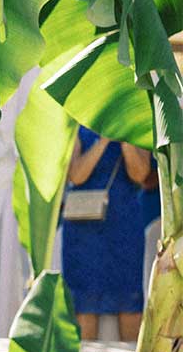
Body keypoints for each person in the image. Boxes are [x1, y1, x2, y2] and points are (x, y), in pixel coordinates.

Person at [62, 128, 152, 341]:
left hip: (124, 225)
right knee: (84, 304)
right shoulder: (78, 121)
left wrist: (123, 137)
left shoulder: (133, 119)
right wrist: (103, 141)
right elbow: (75, 175)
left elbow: (140, 174)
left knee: (129, 302)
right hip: (83, 230)